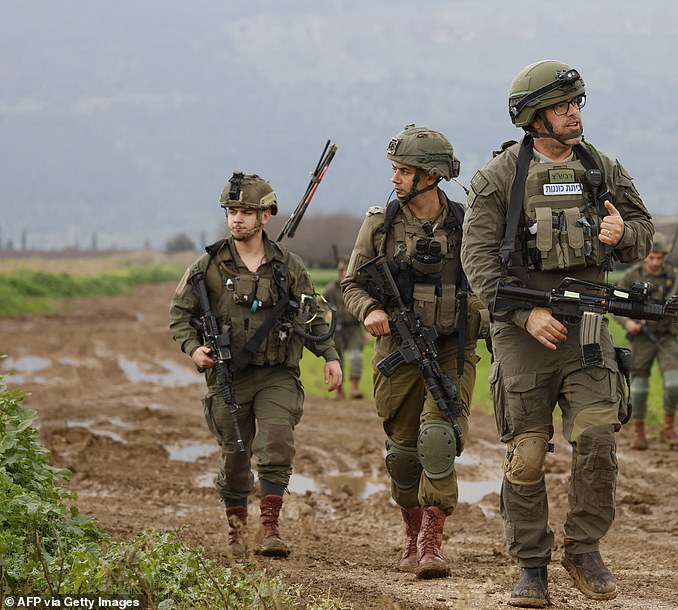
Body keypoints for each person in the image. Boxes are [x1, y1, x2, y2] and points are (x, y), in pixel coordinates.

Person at [461, 60, 654, 606]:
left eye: (577, 104)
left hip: (587, 328)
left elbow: (643, 228)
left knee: (596, 437)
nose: (574, 113)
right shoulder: (500, 176)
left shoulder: (602, 168)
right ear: (533, 116)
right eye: (563, 105)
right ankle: (531, 566)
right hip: (524, 335)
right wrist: (525, 316)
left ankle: (584, 547)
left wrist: (623, 233)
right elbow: (476, 261)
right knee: (525, 453)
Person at [169, 172, 343, 559]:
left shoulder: (288, 266)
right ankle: (236, 531)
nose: (237, 219)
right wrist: (194, 349)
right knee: (235, 456)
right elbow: (180, 315)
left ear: (266, 216)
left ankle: (270, 528)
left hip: (278, 374)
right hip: (228, 377)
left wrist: (330, 356)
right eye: (232, 211)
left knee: (277, 443)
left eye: (246, 211)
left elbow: (312, 316)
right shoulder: (207, 266)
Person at [340, 125, 485, 579]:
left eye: (404, 170)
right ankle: (410, 532)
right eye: (395, 169)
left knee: (438, 439)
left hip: (448, 352)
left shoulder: (467, 223)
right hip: (396, 350)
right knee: (403, 455)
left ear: (432, 175)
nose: (395, 179)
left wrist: (471, 319)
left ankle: (431, 542)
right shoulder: (380, 224)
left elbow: (486, 284)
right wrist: (370, 311)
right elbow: (351, 284)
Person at [618, 232, 678, 451]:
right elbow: (615, 303)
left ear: (664, 257)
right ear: (645, 256)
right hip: (642, 338)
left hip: (667, 337)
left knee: (674, 385)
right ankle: (639, 432)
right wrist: (627, 323)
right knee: (639, 389)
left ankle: (668, 428)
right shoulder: (632, 276)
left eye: (659, 257)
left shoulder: (674, 278)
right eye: (651, 257)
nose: (655, 262)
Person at [323, 257, 367, 399]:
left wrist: (367, 331)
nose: (345, 273)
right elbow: (320, 302)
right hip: (337, 328)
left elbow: (367, 308)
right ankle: (339, 391)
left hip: (354, 328)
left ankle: (355, 389)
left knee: (356, 357)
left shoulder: (359, 288)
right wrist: (327, 312)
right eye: (343, 271)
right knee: (337, 359)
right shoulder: (332, 288)